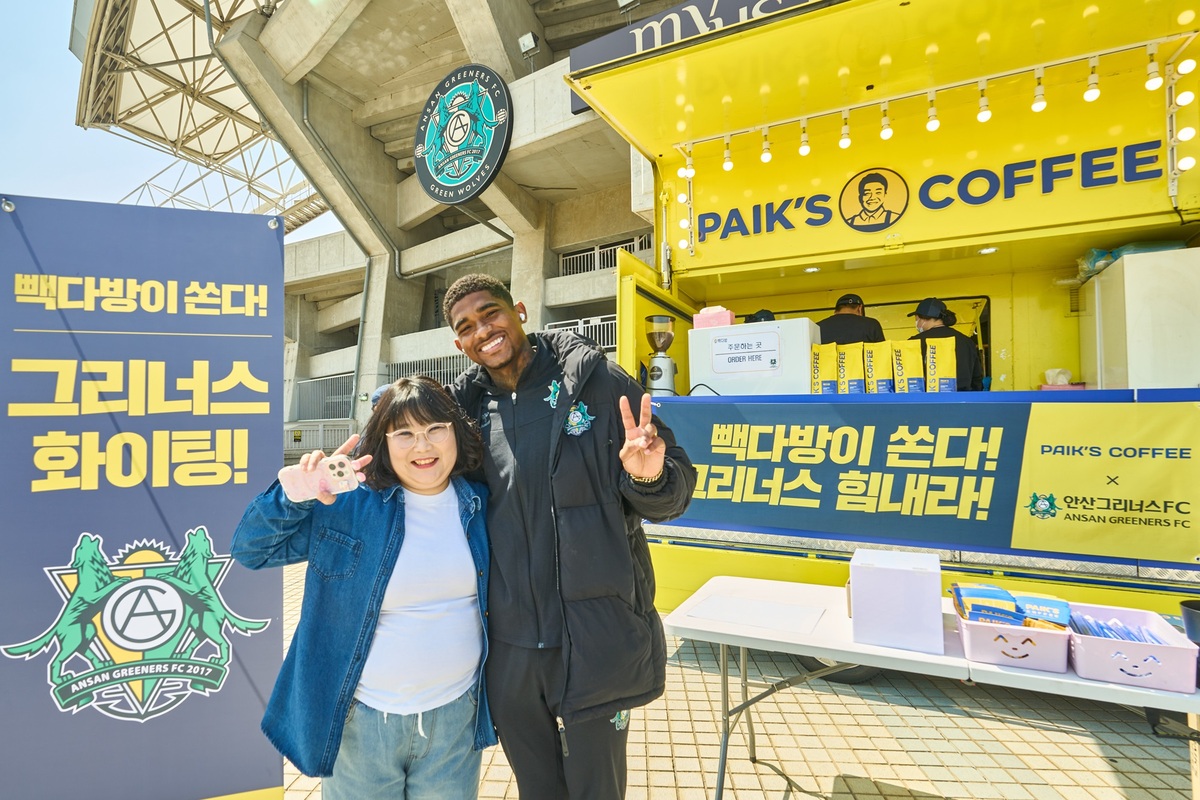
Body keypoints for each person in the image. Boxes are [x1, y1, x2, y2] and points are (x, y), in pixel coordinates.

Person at [441, 273, 697, 800]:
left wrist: (648, 474)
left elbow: (672, 493)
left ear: (519, 311)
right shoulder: (463, 413)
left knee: (595, 790)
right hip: (510, 649)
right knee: (539, 790)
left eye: (490, 313)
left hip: (594, 637)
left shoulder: (597, 383)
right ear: (458, 344)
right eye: (466, 326)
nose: (483, 330)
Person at [231, 376, 496, 799]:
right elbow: (251, 551)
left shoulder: (483, 504)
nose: (422, 447)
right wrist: (294, 496)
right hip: (363, 721)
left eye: (434, 430)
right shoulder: (349, 504)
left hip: (456, 719)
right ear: (384, 443)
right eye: (405, 433)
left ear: (455, 433)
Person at [908, 297, 984, 391]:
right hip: (962, 400)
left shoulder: (913, 343)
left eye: (916, 319)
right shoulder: (967, 342)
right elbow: (977, 379)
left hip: (925, 401)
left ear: (922, 318)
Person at [816, 293, 886, 345]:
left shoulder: (818, 327)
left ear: (835, 311)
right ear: (860, 308)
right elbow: (882, 354)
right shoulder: (872, 325)